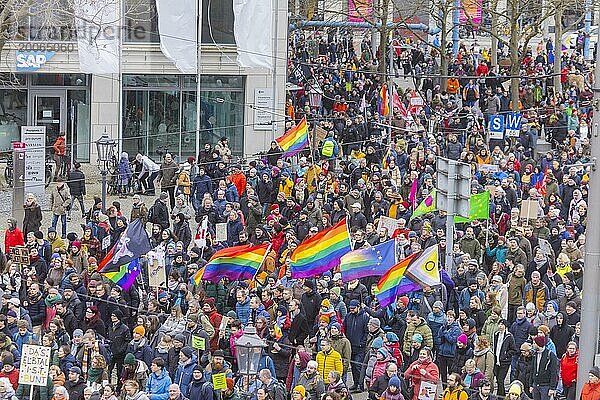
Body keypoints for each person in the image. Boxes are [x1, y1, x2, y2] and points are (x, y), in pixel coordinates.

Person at [529, 335, 558, 400]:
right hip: (536, 385)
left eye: (534, 343)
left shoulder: (550, 355)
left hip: (545, 386)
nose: (533, 345)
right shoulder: (535, 355)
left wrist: (552, 388)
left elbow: (554, 372)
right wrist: (530, 384)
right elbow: (532, 370)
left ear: (538, 344)